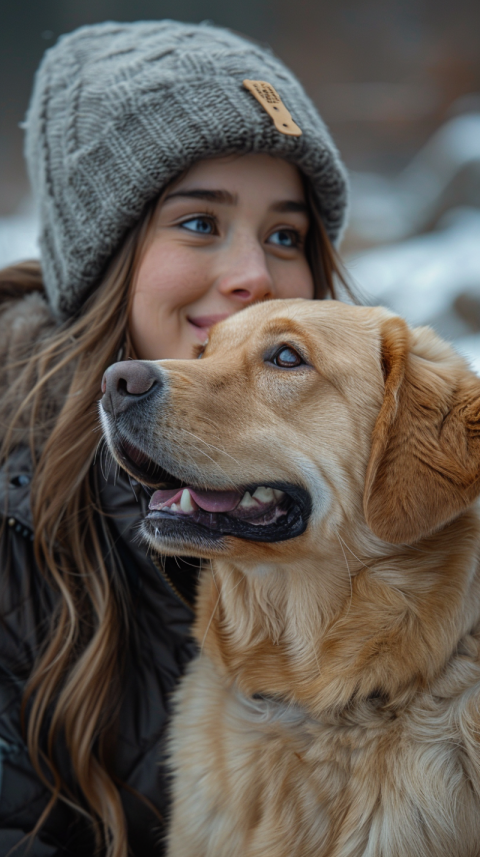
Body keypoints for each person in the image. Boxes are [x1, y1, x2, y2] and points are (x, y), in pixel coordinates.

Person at [0, 19, 350, 857]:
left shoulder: (381, 487)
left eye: (284, 234)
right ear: (106, 255)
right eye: (199, 222)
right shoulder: (18, 520)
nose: (256, 276)